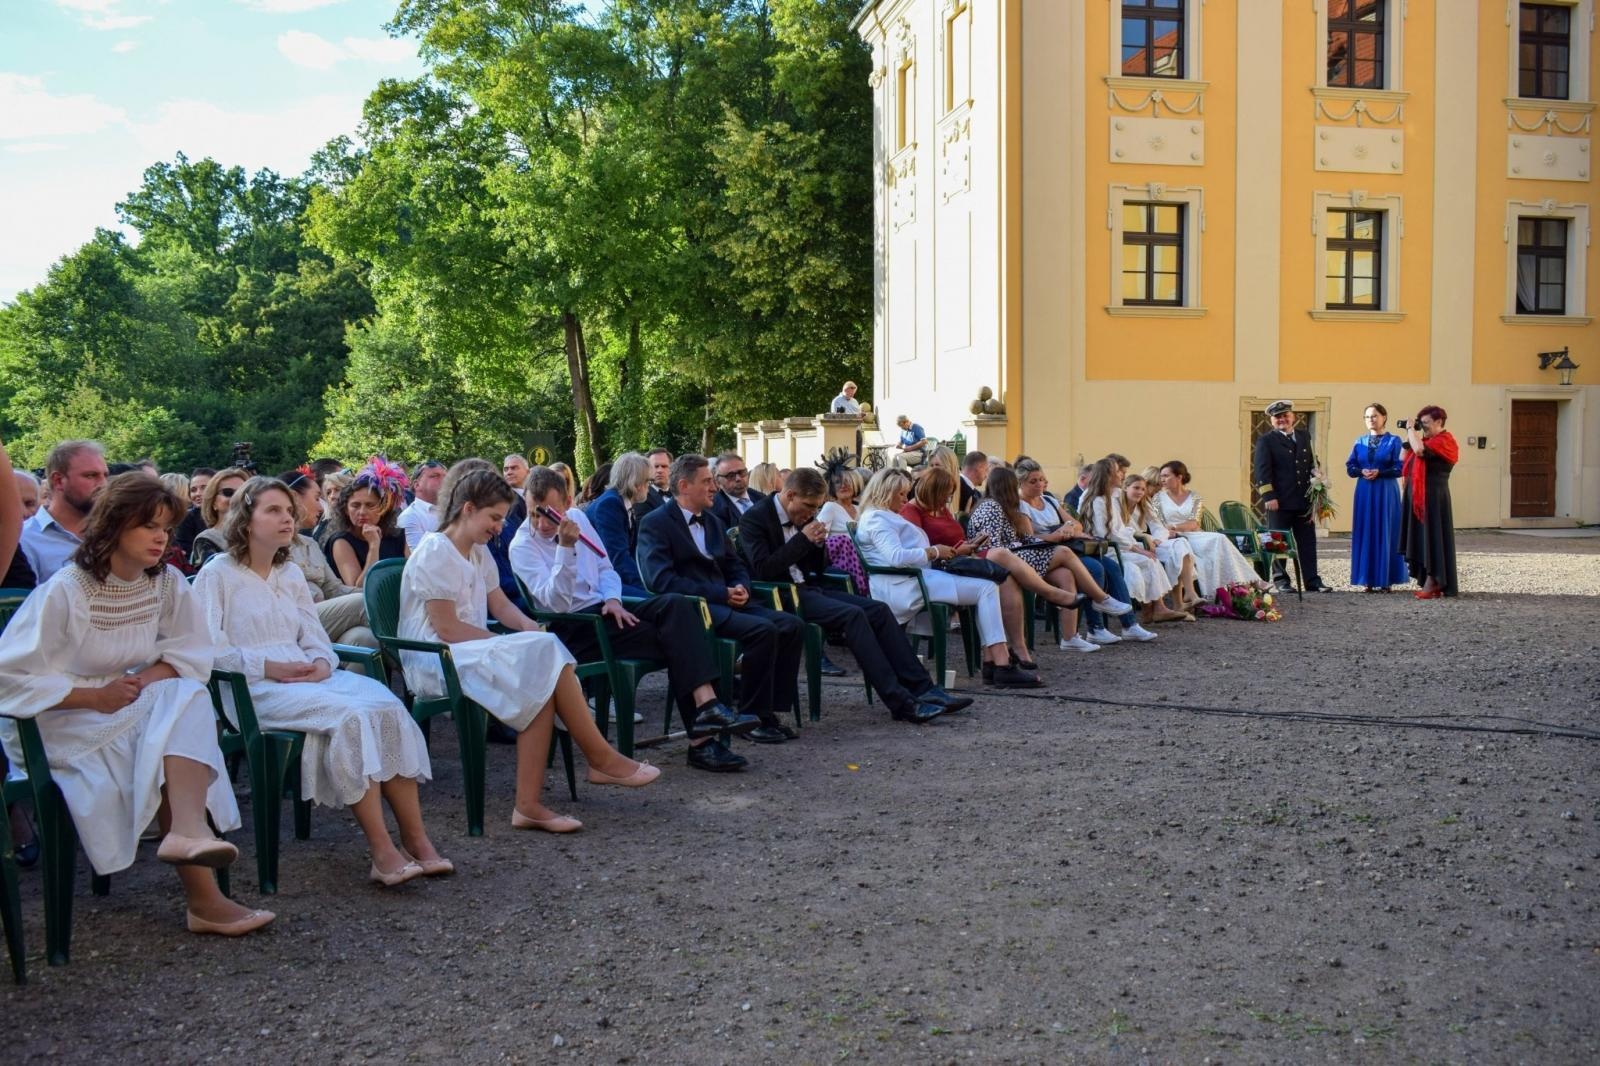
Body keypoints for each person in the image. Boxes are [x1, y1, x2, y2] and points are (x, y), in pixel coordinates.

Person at [0, 474, 273, 936]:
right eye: (148, 526)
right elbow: (9, 678)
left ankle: (188, 842)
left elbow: (191, 653)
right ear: (113, 526)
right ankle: (200, 881)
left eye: (166, 527)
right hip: (58, 720)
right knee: (177, 720)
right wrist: (93, 696)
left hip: (129, 701)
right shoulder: (68, 590)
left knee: (182, 697)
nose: (161, 537)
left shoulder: (165, 583)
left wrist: (144, 679)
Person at [193, 477, 447, 886]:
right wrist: (268, 667)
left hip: (307, 679)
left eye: (289, 512)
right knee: (351, 716)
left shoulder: (289, 573)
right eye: (273, 510)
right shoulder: (218, 575)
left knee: (385, 705)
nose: (286, 519)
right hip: (251, 690)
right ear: (245, 519)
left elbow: (315, 636)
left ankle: (417, 841)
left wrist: (322, 664)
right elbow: (204, 651)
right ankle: (382, 851)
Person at [402, 466, 660, 833]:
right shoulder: (434, 550)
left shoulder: (478, 553)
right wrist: (512, 643)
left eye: (502, 519)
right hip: (435, 656)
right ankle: (597, 759)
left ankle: (533, 803)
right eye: (494, 518)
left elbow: (503, 608)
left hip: (467, 647)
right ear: (468, 508)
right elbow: (445, 628)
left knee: (543, 653)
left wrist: (532, 630)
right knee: (538, 659)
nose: (498, 527)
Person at [510, 466, 757, 771]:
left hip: (606, 610)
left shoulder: (580, 520)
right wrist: (564, 549)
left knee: (676, 606)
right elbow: (556, 603)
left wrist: (613, 599)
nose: (541, 523)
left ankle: (706, 713)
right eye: (534, 513)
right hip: (574, 626)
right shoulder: (522, 545)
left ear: (568, 504)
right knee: (681, 640)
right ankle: (703, 732)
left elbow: (606, 569)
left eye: (550, 514)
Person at [740, 468, 971, 723]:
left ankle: (923, 688)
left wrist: (818, 546)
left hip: (810, 588)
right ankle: (901, 703)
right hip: (781, 595)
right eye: (808, 506)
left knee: (879, 610)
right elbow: (763, 569)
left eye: (816, 508)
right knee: (853, 616)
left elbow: (814, 568)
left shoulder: (804, 516)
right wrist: (803, 541)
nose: (811, 514)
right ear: (790, 495)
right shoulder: (756, 518)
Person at [637, 454, 807, 746]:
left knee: (791, 625)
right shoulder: (656, 523)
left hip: (728, 601)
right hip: (695, 609)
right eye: (707, 481)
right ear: (684, 485)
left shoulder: (714, 522)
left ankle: (768, 712)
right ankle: (752, 715)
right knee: (763, 631)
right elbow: (661, 581)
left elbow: (734, 565)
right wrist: (721, 594)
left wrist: (741, 586)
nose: (714, 487)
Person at [856, 468, 1040, 688]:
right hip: (905, 584)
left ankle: (995, 662)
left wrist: (937, 552)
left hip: (914, 578)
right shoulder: (877, 519)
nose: (905, 500)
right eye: (901, 494)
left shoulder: (881, 516)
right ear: (885, 493)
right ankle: (999, 664)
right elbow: (895, 557)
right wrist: (934, 552)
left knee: (988, 586)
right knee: (987, 588)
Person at [968, 465, 1135, 652]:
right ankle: (1100, 598)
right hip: (1004, 560)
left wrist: (1065, 530)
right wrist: (1050, 539)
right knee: (1064, 552)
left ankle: (1070, 637)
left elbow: (1022, 538)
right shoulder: (992, 507)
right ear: (1007, 486)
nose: (1017, 490)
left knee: (1065, 574)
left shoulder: (1006, 506)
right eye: (1016, 485)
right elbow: (993, 548)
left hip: (1018, 554)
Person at [276, 468, 376, 649]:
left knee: (363, 639)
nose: (322, 506)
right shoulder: (271, 545)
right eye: (316, 498)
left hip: (320, 617)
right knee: (364, 602)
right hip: (291, 622)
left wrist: (382, 593)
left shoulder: (309, 544)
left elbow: (334, 589)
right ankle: (413, 657)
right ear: (294, 497)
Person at [1079, 458, 1178, 632]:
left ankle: (1150, 611)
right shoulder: (1098, 500)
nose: (1122, 475)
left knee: (1150, 560)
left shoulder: (1111, 496)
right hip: (1105, 550)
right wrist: (1136, 547)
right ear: (1109, 475)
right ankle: (1132, 620)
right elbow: (1106, 534)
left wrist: (1138, 547)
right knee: (1136, 565)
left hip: (1117, 546)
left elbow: (1119, 529)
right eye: (1118, 471)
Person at [1153, 460, 1262, 598]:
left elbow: (1194, 523)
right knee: (1219, 539)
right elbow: (1160, 523)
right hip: (1173, 538)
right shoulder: (1158, 499)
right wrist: (1171, 530)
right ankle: (1251, 581)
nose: (1162, 479)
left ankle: (1243, 584)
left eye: (1166, 476)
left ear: (1179, 477)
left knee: (1219, 539)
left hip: (1195, 535)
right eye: (1161, 476)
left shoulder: (1194, 497)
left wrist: (1175, 526)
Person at [1252, 400, 1330, 592]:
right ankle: (1281, 581)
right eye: (1278, 417)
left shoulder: (1304, 436)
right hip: (1279, 501)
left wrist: (1316, 473)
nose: (1282, 420)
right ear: (1271, 420)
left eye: (1286, 415)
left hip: (1304, 500)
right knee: (1277, 542)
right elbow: (1262, 471)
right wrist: (1269, 496)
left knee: (1308, 542)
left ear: (1293, 417)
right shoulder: (1266, 440)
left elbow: (1311, 461)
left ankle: (1312, 581)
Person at [20, 439, 109, 583]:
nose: (103, 484)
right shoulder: (26, 540)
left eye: (105, 475)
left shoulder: (114, 533)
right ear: (58, 480)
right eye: (91, 475)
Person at [1345, 404, 1410, 592]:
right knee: (1366, 530)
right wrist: (1361, 470)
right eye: (1367, 417)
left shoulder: (1394, 441)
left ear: (1384, 417)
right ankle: (1367, 579)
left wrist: (1380, 472)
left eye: (1374, 416)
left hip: (1386, 491)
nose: (1371, 420)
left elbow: (1400, 467)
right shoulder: (1360, 441)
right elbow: (1350, 466)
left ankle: (1387, 577)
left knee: (1386, 530)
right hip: (1365, 491)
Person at [1401, 406, 1459, 599]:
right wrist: (1409, 435)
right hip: (1419, 498)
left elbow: (1419, 451)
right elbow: (1403, 458)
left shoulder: (1445, 441)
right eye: (1421, 423)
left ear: (1439, 422)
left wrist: (1411, 430)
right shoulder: (1425, 440)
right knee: (1422, 538)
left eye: (1425, 423)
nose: (1422, 427)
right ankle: (1427, 577)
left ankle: (1434, 580)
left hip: (1434, 498)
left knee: (1433, 537)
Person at [1121, 474, 1200, 615]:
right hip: (1132, 545)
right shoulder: (1118, 504)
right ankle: (1177, 605)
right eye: (1136, 488)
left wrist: (1158, 539)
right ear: (1126, 488)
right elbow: (1119, 531)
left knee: (1180, 545)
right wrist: (1146, 537)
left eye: (1143, 489)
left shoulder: (1144, 503)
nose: (1140, 492)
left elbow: (1158, 526)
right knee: (1171, 555)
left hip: (1150, 542)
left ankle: (1189, 593)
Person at [326, 459, 410, 588]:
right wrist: (373, 546)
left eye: (370, 505)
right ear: (346, 510)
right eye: (355, 505)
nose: (362, 512)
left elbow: (412, 574)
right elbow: (359, 588)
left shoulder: (399, 536)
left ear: (383, 508)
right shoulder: (341, 541)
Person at [587, 452, 652, 597]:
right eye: (648, 481)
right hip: (600, 584)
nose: (649, 486)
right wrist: (643, 589)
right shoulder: (610, 504)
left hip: (611, 579)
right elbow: (617, 556)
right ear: (636, 483)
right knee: (664, 604)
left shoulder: (620, 503)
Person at [187, 466, 249, 569]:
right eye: (228, 492)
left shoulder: (261, 532)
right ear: (213, 502)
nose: (237, 498)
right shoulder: (207, 539)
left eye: (243, 493)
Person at [396, 460, 446, 550]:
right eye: (435, 476)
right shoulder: (410, 516)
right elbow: (418, 560)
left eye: (446, 476)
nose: (444, 480)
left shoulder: (455, 511)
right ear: (417, 485)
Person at [710, 452, 766, 528]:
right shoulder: (714, 508)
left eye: (742, 472)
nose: (738, 478)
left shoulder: (761, 498)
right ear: (717, 482)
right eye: (731, 476)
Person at [817, 465, 864, 535]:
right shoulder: (830, 507)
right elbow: (818, 537)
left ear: (855, 483)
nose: (843, 486)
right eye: (837, 482)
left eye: (847, 481)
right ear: (832, 487)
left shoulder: (860, 510)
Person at [631, 448, 672, 526]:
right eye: (656, 466)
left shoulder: (680, 494)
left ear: (671, 469)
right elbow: (643, 526)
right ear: (648, 470)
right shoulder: (641, 496)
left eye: (664, 466)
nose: (660, 470)